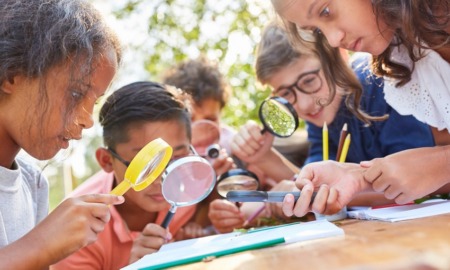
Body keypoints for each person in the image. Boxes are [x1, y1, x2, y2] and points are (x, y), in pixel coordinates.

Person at [208, 21, 437, 232]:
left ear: (341, 55)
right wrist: (265, 158)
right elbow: (312, 183)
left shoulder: (383, 86)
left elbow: (413, 185)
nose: (305, 104)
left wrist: (312, 192)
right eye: (287, 93)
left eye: (309, 81)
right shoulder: (321, 119)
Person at [269, 0, 450, 217]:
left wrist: (439, 164)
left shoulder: (380, 85)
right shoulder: (407, 58)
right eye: (317, 30)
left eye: (326, 11)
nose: (333, 41)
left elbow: (439, 169)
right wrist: (356, 178)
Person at [0, 0, 123, 268]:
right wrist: (41, 245)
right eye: (76, 93)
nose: (88, 119)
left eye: (96, 101)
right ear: (11, 75)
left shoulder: (34, 184)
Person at [52, 81, 198, 269]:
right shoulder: (77, 232)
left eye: (177, 157)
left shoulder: (189, 184)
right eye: (147, 164)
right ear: (107, 161)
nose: (164, 178)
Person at [162, 57, 238, 232]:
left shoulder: (229, 145)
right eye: (189, 119)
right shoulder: (168, 155)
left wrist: (221, 181)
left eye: (210, 120)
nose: (201, 130)